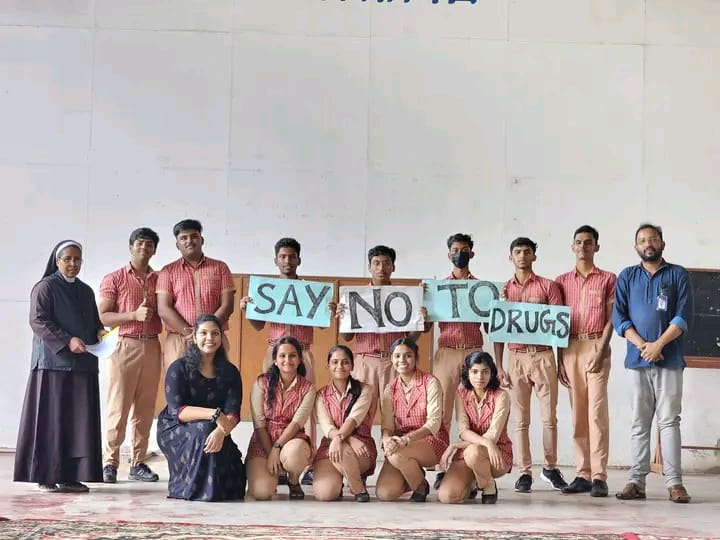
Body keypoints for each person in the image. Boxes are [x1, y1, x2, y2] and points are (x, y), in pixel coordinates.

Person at [14, 240, 105, 493]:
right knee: (51, 421)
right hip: (52, 364)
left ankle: (72, 475)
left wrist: (100, 332)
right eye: (68, 259)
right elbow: (38, 321)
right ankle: (45, 475)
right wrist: (67, 340)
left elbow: (94, 321)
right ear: (57, 260)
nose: (73, 264)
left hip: (83, 364)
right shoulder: (45, 288)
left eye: (78, 259)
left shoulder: (86, 291)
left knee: (78, 424)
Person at [240, 237, 332, 484]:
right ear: (276, 260)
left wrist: (328, 309)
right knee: (272, 404)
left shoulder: (310, 291)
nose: (287, 261)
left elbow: (322, 324)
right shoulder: (267, 290)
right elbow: (258, 325)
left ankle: (306, 460)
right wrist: (247, 309)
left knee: (307, 407)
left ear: (299, 259)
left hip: (303, 351)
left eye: (292, 256)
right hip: (274, 352)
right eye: (283, 256)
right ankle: (275, 455)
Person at [613, 224, 693, 504]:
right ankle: (636, 481)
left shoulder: (677, 274)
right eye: (642, 240)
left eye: (653, 239)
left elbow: (683, 316)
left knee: (669, 420)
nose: (648, 244)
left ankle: (675, 483)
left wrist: (658, 345)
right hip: (637, 360)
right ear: (636, 246)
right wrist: (644, 347)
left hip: (669, 359)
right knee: (639, 422)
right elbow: (619, 318)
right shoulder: (627, 276)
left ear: (662, 244)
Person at [493, 237, 567, 493]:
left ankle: (550, 466)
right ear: (510, 256)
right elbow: (498, 330)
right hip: (516, 357)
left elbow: (560, 327)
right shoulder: (502, 290)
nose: (522, 256)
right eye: (517, 252)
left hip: (544, 356)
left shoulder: (549, 286)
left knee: (549, 418)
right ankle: (524, 471)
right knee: (520, 420)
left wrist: (562, 361)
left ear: (534, 256)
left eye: (527, 252)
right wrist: (500, 366)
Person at [157, 314, 246, 501]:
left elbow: (233, 413)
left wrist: (221, 432)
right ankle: (191, 489)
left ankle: (211, 489)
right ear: (195, 337)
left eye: (215, 333)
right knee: (204, 429)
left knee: (208, 432)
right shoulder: (178, 368)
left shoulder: (230, 372)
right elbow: (177, 411)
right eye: (203, 333)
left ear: (221, 338)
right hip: (176, 427)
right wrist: (214, 415)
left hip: (217, 427)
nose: (210, 338)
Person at [555, 225, 616, 497]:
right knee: (578, 412)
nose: (583, 247)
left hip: (596, 344)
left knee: (596, 412)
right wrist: (559, 360)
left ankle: (600, 474)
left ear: (596, 247)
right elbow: (555, 324)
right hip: (570, 347)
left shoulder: (608, 279)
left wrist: (602, 349)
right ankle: (582, 473)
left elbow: (612, 317)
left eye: (588, 242)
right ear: (572, 247)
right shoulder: (560, 282)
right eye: (578, 242)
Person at [98, 227, 162, 484]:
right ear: (130, 247)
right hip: (124, 344)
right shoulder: (114, 278)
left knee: (145, 409)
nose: (144, 249)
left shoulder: (160, 279)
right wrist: (132, 316)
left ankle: (138, 462)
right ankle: (110, 462)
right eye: (139, 244)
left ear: (154, 250)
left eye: (149, 245)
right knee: (119, 406)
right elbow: (102, 316)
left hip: (153, 345)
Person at [340, 245, 421, 409]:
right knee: (361, 413)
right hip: (365, 361)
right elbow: (346, 337)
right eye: (376, 263)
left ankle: (391, 436)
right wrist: (344, 316)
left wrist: (419, 319)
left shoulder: (404, 296)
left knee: (397, 412)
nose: (381, 268)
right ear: (369, 267)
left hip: (395, 361)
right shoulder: (356, 296)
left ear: (393, 267)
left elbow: (411, 337)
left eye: (386, 263)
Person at [156, 219, 235, 374]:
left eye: (194, 236)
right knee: (178, 388)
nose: (189, 241)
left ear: (202, 240)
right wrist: (190, 333)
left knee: (216, 387)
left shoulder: (220, 267)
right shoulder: (168, 271)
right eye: (183, 238)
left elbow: (227, 305)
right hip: (180, 339)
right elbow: (164, 308)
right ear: (177, 244)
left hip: (213, 339)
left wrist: (206, 331)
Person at [375, 338, 448, 503]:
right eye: (397, 356)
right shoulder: (390, 388)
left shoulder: (430, 383)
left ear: (416, 358)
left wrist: (406, 440)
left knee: (396, 455)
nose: (402, 361)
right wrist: (387, 440)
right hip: (399, 445)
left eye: (408, 356)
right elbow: (387, 426)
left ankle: (420, 487)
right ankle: (414, 475)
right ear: (392, 359)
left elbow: (433, 424)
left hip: (430, 440)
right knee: (385, 493)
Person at [437, 352, 512, 504]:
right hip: (467, 454)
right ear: (467, 373)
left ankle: (488, 485)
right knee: (447, 496)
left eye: (485, 372)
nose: (480, 377)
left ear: (492, 373)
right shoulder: (461, 394)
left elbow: (492, 436)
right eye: (474, 372)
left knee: (474, 452)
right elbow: (463, 430)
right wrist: (463, 444)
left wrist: (456, 445)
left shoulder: (501, 396)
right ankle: (473, 481)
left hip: (496, 453)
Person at [246, 337, 316, 501]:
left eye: (292, 356)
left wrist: (277, 447)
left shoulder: (308, 388)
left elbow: (296, 422)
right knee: (261, 493)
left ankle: (293, 479)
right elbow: (259, 423)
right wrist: (271, 452)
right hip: (263, 439)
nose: (287, 360)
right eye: (282, 356)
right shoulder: (261, 383)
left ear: (299, 360)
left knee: (295, 455)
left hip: (292, 438)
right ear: (275, 360)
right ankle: (271, 476)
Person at [312, 345, 375, 503]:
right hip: (331, 447)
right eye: (335, 362)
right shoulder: (320, 395)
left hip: (359, 447)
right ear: (328, 366)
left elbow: (354, 419)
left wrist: (342, 439)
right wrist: (344, 439)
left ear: (352, 366)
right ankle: (340, 477)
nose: (340, 366)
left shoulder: (365, 390)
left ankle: (358, 488)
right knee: (325, 495)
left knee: (344, 453)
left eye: (345, 362)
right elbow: (327, 427)